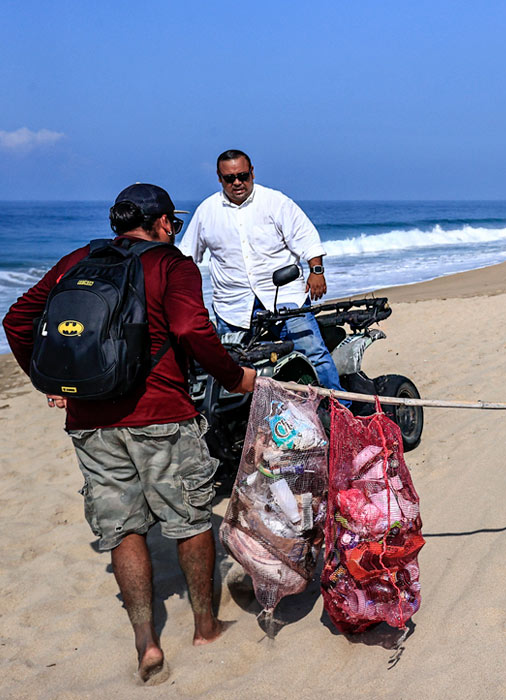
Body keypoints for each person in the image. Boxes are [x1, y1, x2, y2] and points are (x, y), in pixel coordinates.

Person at [3, 184, 257, 683]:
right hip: (161, 413)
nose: (174, 231)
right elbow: (189, 329)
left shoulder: (78, 259)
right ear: (162, 222)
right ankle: (205, 627)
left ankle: (147, 643)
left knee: (122, 529)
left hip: (90, 420)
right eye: (173, 224)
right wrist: (234, 377)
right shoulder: (171, 263)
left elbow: (17, 320)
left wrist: (50, 381)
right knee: (189, 520)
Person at [182, 149, 344, 394]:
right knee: (235, 368)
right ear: (219, 178)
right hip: (232, 305)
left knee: (314, 354)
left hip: (285, 297)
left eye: (243, 176)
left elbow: (306, 238)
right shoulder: (207, 211)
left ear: (252, 173)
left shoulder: (275, 202)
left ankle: (339, 408)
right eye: (229, 178)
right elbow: (187, 257)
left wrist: (317, 271)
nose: (237, 182)